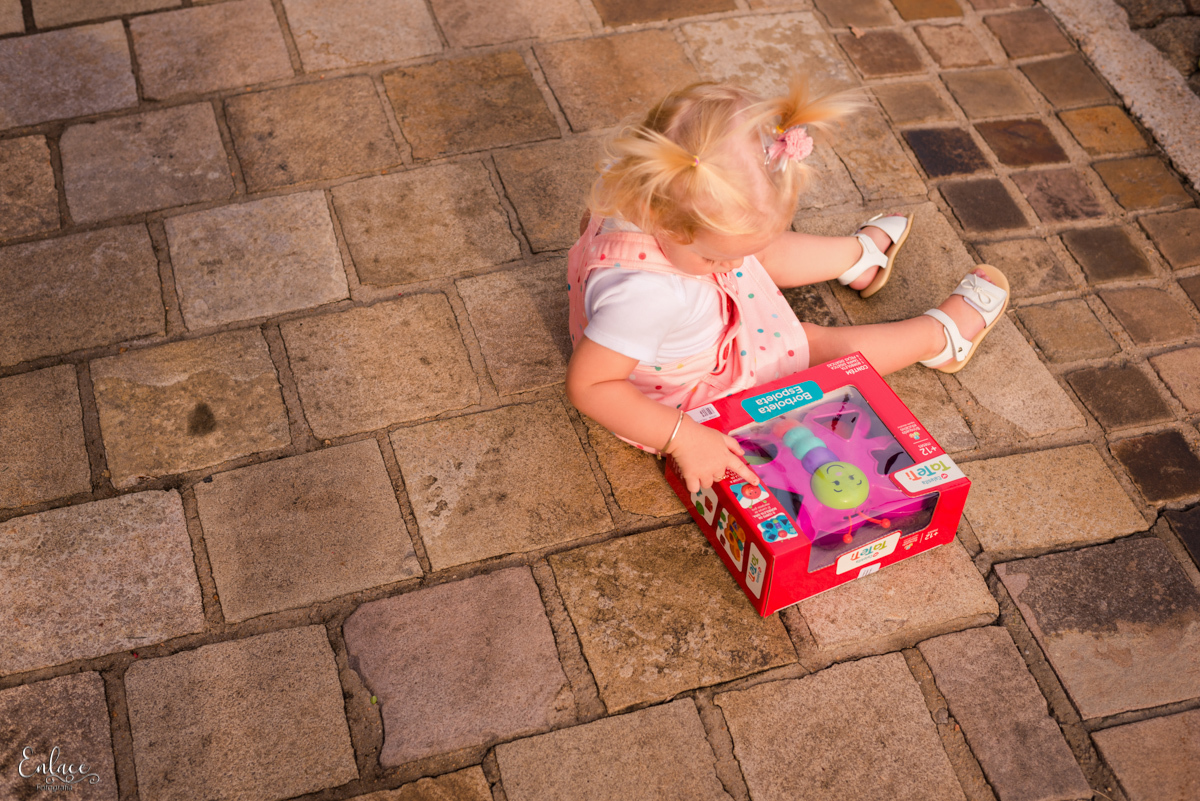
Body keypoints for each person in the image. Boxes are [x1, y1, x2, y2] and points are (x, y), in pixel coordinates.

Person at [564, 81, 1008, 494]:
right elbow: (591, 385)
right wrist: (682, 437)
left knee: (758, 254)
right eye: (716, 258)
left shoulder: (635, 182)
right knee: (809, 342)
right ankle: (938, 339)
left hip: (674, 319)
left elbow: (717, 252)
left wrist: (718, 257)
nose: (733, 265)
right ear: (662, 218)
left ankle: (857, 259)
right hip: (693, 389)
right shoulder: (646, 299)